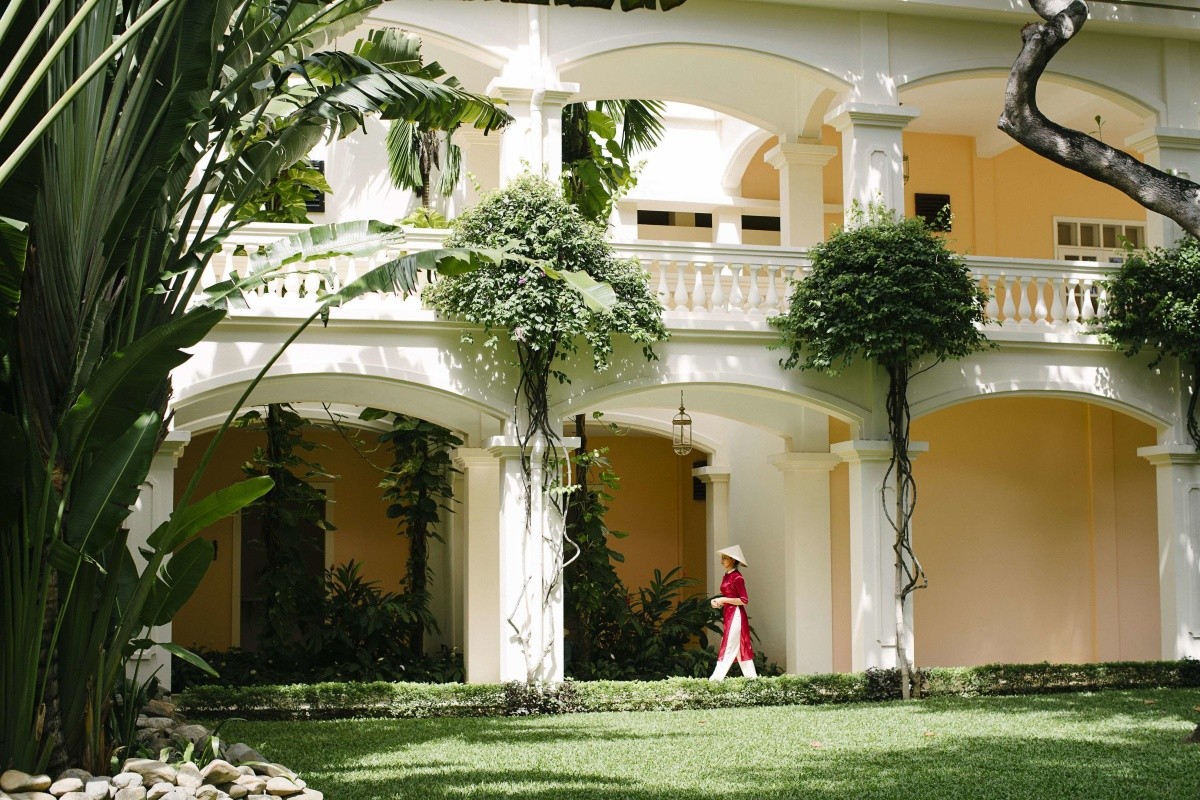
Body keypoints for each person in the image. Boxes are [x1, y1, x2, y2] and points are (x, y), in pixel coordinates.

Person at [709, 544, 757, 681]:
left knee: (728, 646)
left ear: (733, 560)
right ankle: (753, 680)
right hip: (729, 614)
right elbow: (729, 597)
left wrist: (723, 599)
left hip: (736, 615)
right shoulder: (727, 576)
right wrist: (719, 602)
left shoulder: (737, 577)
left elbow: (744, 600)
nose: (722, 560)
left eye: (725, 558)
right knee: (739, 649)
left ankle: (714, 681)